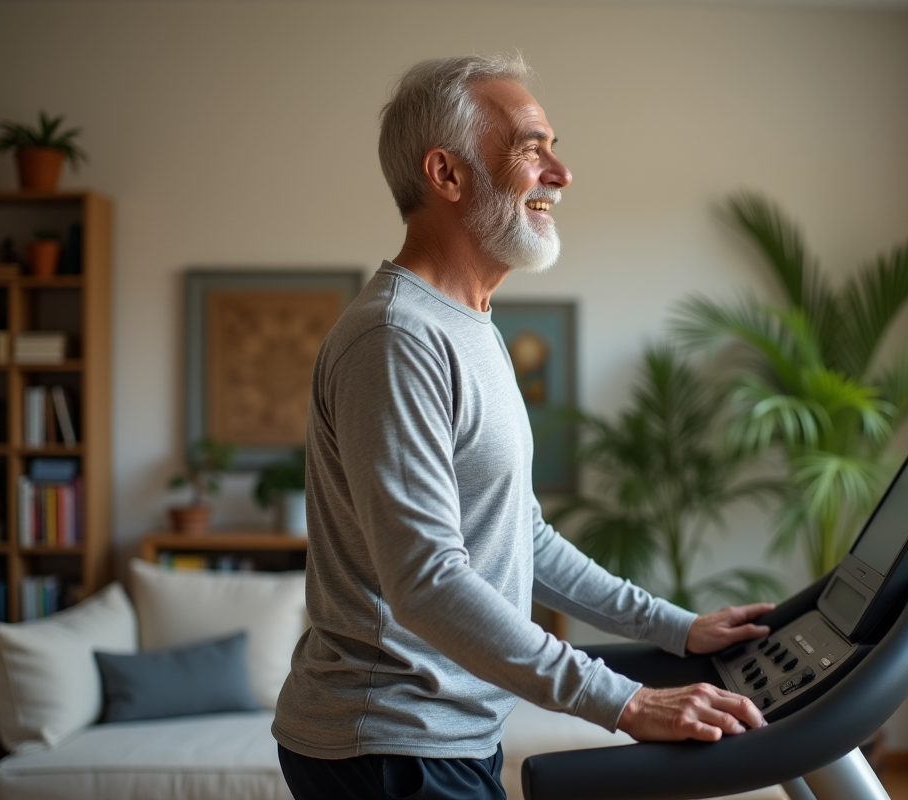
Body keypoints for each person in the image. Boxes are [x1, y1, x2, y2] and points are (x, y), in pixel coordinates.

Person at [272, 53, 775, 800]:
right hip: (387, 744)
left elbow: (519, 534)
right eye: (532, 149)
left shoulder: (471, 325)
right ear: (446, 175)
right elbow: (428, 581)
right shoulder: (397, 336)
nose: (561, 174)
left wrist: (677, 629)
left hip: (443, 734)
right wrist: (626, 702)